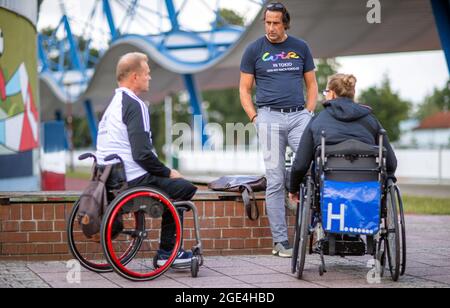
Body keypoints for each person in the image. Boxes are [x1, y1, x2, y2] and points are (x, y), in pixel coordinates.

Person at [96, 52, 197, 266]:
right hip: (132, 179)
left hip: (111, 178)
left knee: (172, 184)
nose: (149, 78)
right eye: (147, 74)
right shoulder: (136, 104)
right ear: (135, 76)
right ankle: (167, 253)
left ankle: (168, 251)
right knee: (183, 188)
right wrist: (169, 172)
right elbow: (141, 154)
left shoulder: (111, 105)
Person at [239, 2, 318, 258]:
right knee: (274, 180)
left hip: (298, 117)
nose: (271, 28)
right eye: (267, 22)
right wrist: (254, 117)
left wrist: (308, 112)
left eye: (276, 23)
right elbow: (244, 89)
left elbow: (312, 84)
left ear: (285, 23)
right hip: (268, 118)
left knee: (313, 167)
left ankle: (318, 232)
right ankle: (281, 242)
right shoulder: (253, 50)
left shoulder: (300, 47)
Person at [289, 73, 398, 202]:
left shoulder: (318, 120)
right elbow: (391, 162)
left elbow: (301, 164)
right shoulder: (371, 121)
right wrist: (389, 179)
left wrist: (293, 188)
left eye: (326, 92)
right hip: (366, 189)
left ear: (333, 94)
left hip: (328, 188)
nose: (325, 95)